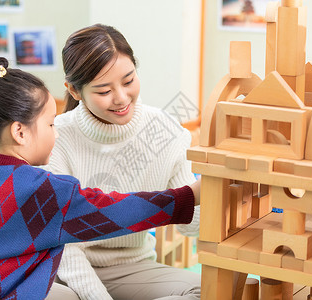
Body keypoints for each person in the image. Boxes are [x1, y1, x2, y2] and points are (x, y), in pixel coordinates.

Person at [0, 57, 201, 300]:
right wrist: (192, 195)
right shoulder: (40, 189)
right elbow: (115, 210)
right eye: (50, 124)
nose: (56, 132)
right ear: (20, 133)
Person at [46, 24, 201, 300]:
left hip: (131, 268)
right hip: (60, 270)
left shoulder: (165, 131)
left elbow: (191, 225)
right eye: (104, 91)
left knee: (208, 291)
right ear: (74, 91)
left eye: (128, 81)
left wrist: (222, 189)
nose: (121, 98)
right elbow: (65, 250)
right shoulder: (55, 138)